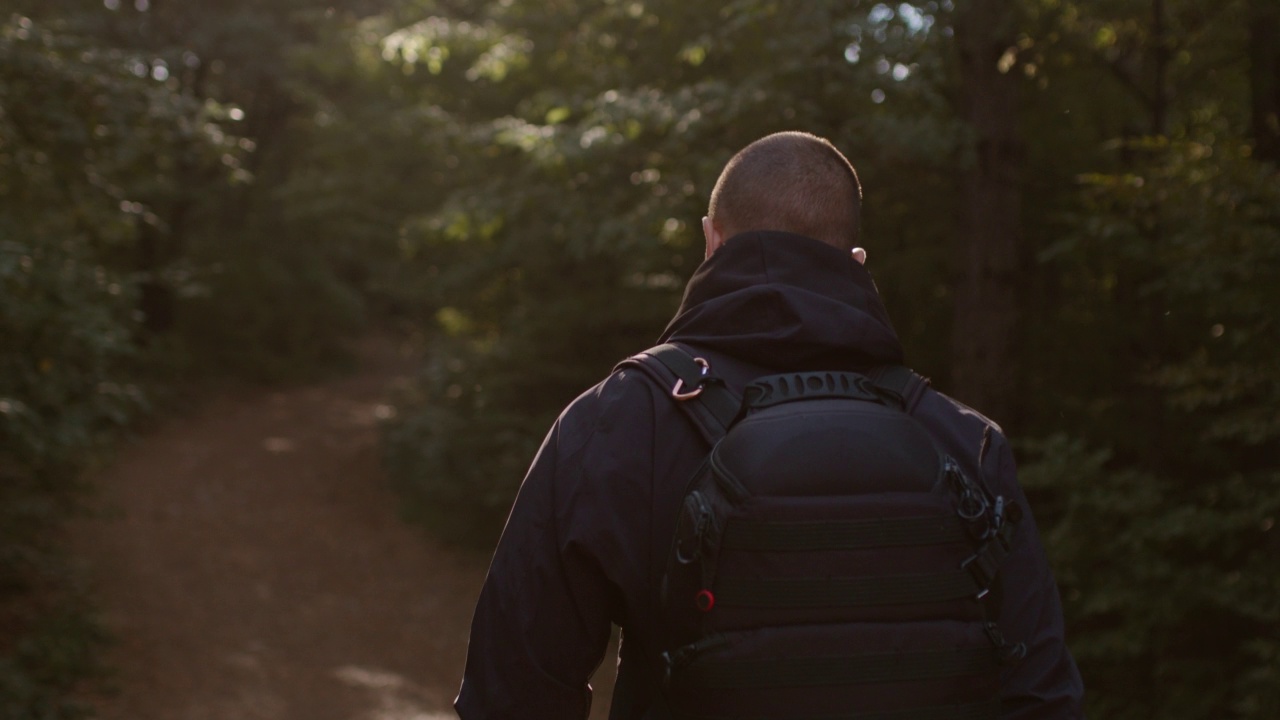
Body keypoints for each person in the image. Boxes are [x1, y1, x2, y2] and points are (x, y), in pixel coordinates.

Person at [455, 131, 1084, 719]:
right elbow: (1042, 696)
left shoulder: (617, 422)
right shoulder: (962, 439)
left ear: (712, 241)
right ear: (856, 261)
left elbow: (511, 691)